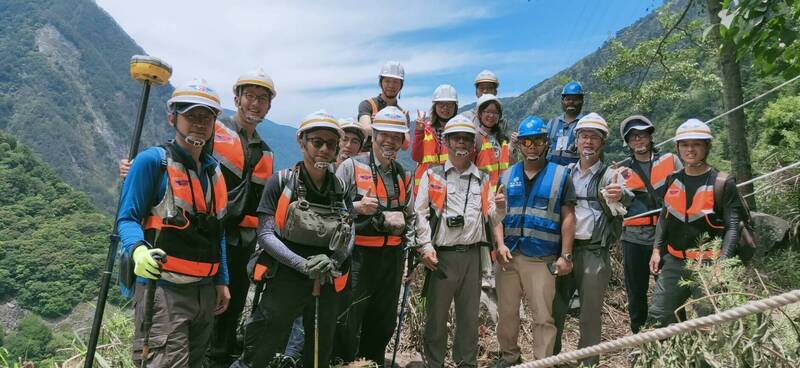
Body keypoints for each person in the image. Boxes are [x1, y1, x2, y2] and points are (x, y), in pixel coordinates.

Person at [116, 78, 230, 367]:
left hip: (204, 292)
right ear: (172, 118)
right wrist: (138, 250)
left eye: (206, 117)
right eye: (191, 115)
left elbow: (218, 233)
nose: (199, 123)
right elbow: (127, 218)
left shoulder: (214, 172)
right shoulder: (153, 162)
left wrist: (222, 280)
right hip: (164, 290)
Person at [232, 110, 353, 368]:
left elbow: (349, 231)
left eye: (331, 144)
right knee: (260, 349)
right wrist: (302, 264)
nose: (324, 149)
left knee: (318, 353)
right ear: (302, 142)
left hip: (326, 278)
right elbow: (264, 233)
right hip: (284, 278)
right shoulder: (281, 182)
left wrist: (334, 260)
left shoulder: (340, 189)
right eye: (317, 142)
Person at [415, 114, 506, 368]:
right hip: (440, 257)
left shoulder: (484, 179)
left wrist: (501, 209)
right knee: (436, 317)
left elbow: (491, 215)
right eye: (456, 138)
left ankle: (467, 363)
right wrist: (425, 246)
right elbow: (419, 213)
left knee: (468, 319)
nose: (461, 144)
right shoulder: (432, 175)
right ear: (447, 143)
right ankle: (434, 363)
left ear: (474, 144)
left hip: (471, 257)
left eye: (467, 139)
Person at [492, 116, 576, 367]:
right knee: (506, 314)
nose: (532, 146)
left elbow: (568, 217)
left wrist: (566, 255)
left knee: (542, 316)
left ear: (546, 143)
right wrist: (500, 244)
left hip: (541, 259)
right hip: (509, 258)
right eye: (527, 141)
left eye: (537, 141)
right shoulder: (507, 176)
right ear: (519, 145)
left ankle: (541, 362)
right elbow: (498, 216)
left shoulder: (560, 176)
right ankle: (509, 357)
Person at [334, 106, 415, 366]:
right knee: (349, 318)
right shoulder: (350, 166)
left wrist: (412, 254)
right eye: (385, 134)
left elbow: (410, 216)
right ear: (374, 135)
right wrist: (355, 207)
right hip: (358, 257)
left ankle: (373, 362)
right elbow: (331, 209)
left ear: (403, 141)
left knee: (383, 321)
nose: (390, 140)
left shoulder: (401, 174)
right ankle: (345, 363)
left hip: (391, 259)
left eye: (396, 136)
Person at [207, 68, 277, 367]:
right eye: (250, 96)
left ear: (269, 106)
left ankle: (220, 358)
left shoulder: (266, 152)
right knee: (206, 304)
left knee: (233, 303)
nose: (255, 104)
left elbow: (265, 204)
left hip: (244, 241)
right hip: (210, 236)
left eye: (262, 98)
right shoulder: (214, 132)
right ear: (237, 98)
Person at [551, 113, 632, 366]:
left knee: (589, 315)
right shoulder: (564, 173)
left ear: (603, 143)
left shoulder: (611, 176)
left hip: (594, 253)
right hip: (564, 250)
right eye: (584, 136)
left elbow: (625, 195)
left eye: (594, 138)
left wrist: (620, 195)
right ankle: (551, 359)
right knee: (555, 311)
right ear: (576, 140)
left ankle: (588, 363)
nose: (588, 142)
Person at [647, 119, 743, 326]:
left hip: (709, 262)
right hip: (674, 261)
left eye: (697, 144)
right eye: (684, 144)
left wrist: (722, 265)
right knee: (658, 317)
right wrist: (656, 250)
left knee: (708, 322)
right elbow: (665, 218)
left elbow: (733, 227)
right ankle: (660, 358)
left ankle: (704, 360)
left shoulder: (722, 183)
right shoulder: (672, 180)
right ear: (678, 148)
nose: (690, 149)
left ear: (707, 146)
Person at [617, 115, 682, 334]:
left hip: (667, 237)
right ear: (627, 142)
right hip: (634, 238)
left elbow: (686, 188)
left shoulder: (671, 161)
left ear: (650, 136)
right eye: (633, 137)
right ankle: (639, 341)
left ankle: (677, 342)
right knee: (636, 293)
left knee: (672, 291)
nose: (639, 140)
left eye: (643, 135)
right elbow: (617, 200)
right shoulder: (622, 171)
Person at [412, 84, 458, 192]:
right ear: (435, 106)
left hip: (450, 190)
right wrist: (419, 131)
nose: (445, 108)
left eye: (449, 105)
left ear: (455, 107)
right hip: (424, 190)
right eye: (441, 104)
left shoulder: (459, 130)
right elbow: (416, 157)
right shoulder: (424, 128)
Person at [358, 61, 409, 152]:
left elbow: (405, 145)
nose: (391, 85)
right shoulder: (368, 104)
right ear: (380, 82)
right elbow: (365, 129)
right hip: (365, 158)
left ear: (401, 85)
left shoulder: (402, 114)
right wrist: (396, 127)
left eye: (395, 82)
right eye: (387, 81)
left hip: (389, 159)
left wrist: (376, 124)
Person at [546, 81, 585, 166]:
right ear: (562, 101)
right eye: (568, 99)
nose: (571, 102)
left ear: (581, 101)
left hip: (574, 174)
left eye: (575, 99)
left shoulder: (585, 124)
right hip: (551, 172)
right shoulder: (552, 123)